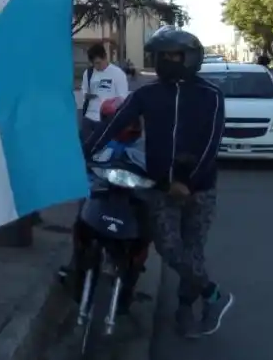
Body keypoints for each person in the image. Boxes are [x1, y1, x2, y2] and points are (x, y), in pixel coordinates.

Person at [84, 26, 233, 338]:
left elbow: (211, 144)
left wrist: (187, 182)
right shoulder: (146, 94)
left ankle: (185, 309)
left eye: (174, 55)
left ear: (190, 57)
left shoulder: (211, 96)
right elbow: (113, 124)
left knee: (193, 250)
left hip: (200, 189)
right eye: (161, 56)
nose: (167, 61)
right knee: (168, 247)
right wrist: (84, 152)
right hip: (161, 188)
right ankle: (213, 294)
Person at [77, 43, 129, 143]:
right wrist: (87, 95)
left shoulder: (118, 73)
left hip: (106, 120)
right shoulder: (88, 73)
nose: (96, 66)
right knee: (85, 148)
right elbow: (84, 90)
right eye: (94, 64)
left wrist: (110, 105)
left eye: (98, 63)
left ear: (105, 57)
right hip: (88, 118)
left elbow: (123, 97)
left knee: (103, 149)